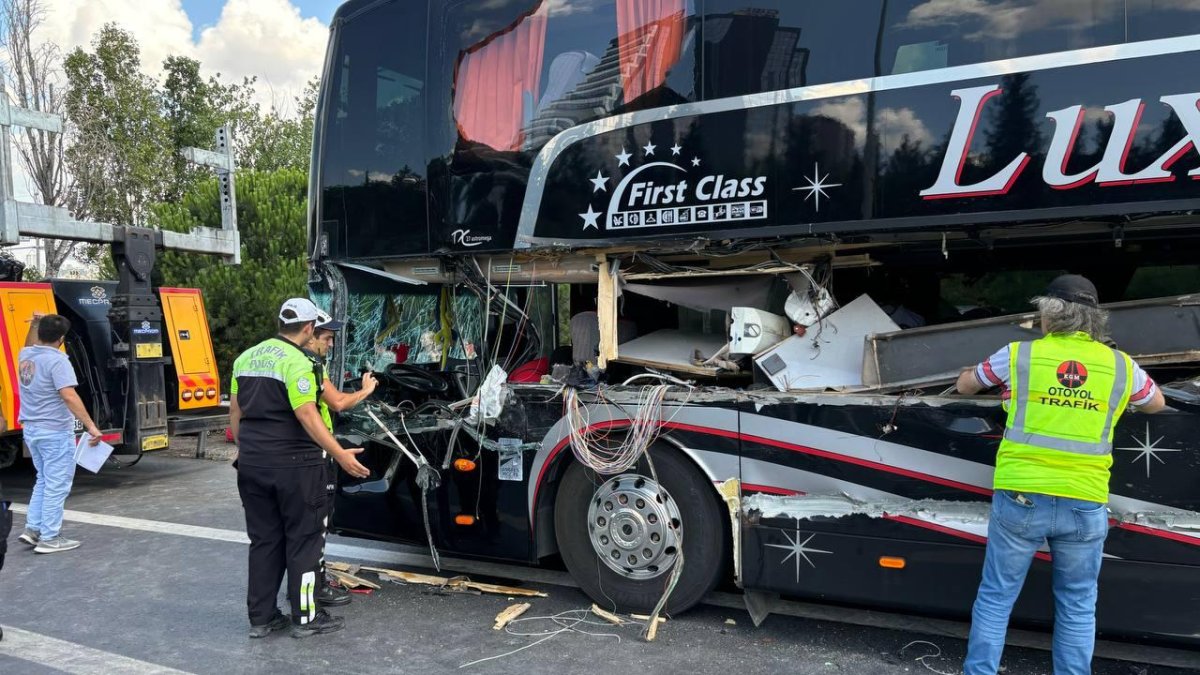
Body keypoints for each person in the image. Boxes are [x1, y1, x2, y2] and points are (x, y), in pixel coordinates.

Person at [955, 275, 1166, 675]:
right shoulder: (1121, 365)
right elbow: (1156, 403)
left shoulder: (1019, 355)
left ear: (1047, 317)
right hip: (1085, 499)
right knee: (1077, 603)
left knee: (997, 597)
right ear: (1094, 321)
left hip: (1022, 496)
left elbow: (966, 386)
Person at [230, 298, 371, 639]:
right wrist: (340, 454)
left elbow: (236, 413)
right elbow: (307, 414)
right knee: (304, 541)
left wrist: (246, 450)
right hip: (296, 466)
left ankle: (262, 619)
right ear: (309, 328)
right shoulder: (299, 361)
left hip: (252, 463)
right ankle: (306, 618)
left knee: (264, 541)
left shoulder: (246, 358)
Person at [302, 314, 377, 608]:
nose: (331, 345)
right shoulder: (307, 365)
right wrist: (366, 390)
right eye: (327, 338)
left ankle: (307, 584)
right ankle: (315, 589)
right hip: (316, 453)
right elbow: (338, 402)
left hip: (295, 455)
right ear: (309, 334)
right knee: (316, 526)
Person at [16, 313, 102, 554]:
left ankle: (33, 529)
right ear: (62, 338)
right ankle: (50, 537)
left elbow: (28, 343)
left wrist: (33, 324)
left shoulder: (27, 356)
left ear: (39, 333)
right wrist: (91, 426)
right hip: (54, 431)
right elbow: (68, 395)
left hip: (32, 429)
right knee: (57, 484)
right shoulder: (59, 361)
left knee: (44, 480)